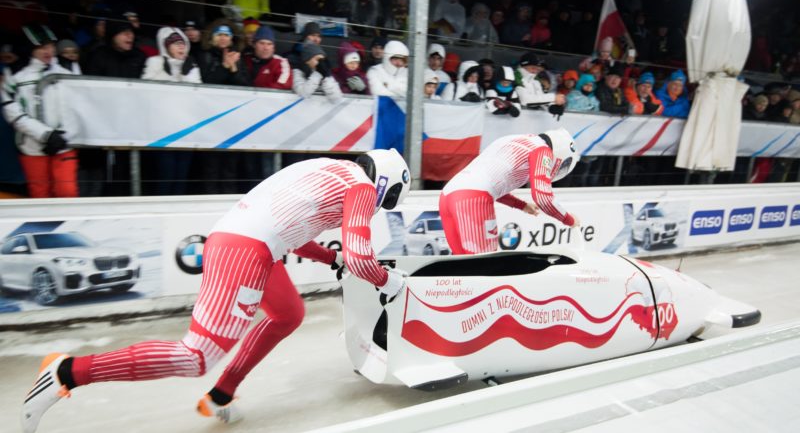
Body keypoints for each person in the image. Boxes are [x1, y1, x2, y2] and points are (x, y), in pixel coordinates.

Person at [21, 149, 412, 432]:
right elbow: (362, 256)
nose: (383, 206)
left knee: (289, 314)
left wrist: (330, 260)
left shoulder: (329, 168)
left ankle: (222, 395)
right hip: (247, 251)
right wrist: (391, 283)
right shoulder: (361, 188)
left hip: (245, 241)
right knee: (197, 357)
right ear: (385, 184)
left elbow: (290, 229)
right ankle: (68, 372)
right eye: (389, 200)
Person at [439, 129, 580, 255]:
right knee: (483, 269)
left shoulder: (513, 138)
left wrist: (522, 205)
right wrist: (569, 219)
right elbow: (543, 197)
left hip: (448, 194)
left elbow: (492, 182)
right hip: (473, 199)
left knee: (460, 270)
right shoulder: (542, 151)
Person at [1, 24, 77, 198]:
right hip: (32, 147)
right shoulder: (14, 76)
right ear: (30, 49)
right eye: (41, 47)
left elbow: (77, 108)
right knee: (40, 197)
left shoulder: (67, 72)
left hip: (64, 145)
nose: (47, 51)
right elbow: (12, 113)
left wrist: (63, 136)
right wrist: (46, 135)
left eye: (50, 45)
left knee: (67, 193)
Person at [141, 27, 201, 196]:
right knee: (166, 175)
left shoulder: (192, 65)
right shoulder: (155, 62)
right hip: (164, 130)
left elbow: (198, 95)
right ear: (166, 47)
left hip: (187, 129)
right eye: (175, 44)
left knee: (181, 177)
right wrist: (167, 73)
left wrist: (185, 74)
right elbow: (144, 89)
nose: (180, 47)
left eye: (182, 43)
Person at [197, 20, 248, 86]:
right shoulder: (205, 55)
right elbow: (205, 84)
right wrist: (224, 67)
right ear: (212, 38)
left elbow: (246, 86)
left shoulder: (236, 56)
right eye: (219, 35)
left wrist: (234, 69)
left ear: (231, 39)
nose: (223, 38)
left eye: (226, 35)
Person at [243, 25, 293, 90]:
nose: (266, 48)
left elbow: (284, 84)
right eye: (262, 43)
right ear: (254, 45)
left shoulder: (280, 62)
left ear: (273, 48)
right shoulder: (246, 58)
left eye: (269, 44)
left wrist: (258, 91)